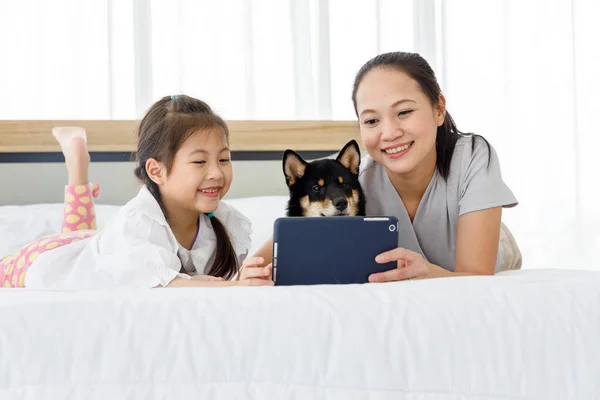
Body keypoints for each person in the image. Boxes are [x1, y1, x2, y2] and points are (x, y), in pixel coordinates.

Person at [244, 51, 521, 282]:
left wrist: (428, 272)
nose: (389, 133)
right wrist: (250, 274)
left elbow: (476, 278)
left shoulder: (473, 156)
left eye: (404, 112)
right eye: (372, 121)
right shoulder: (352, 183)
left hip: (496, 257)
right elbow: (277, 246)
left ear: (439, 109)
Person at [0, 95, 273, 289]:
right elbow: (166, 285)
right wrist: (237, 287)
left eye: (224, 159)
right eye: (200, 161)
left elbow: (218, 282)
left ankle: (77, 163)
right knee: (71, 244)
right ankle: (77, 166)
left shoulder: (224, 222)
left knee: (83, 236)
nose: (216, 172)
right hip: (42, 259)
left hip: (105, 247)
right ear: (157, 171)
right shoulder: (140, 219)